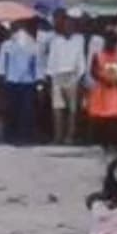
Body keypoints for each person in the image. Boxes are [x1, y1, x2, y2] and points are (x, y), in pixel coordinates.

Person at [45, 12, 89, 146]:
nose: (68, 27)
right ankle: (58, 137)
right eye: (65, 25)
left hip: (73, 75)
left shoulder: (79, 39)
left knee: (73, 110)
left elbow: (81, 58)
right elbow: (52, 60)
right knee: (57, 109)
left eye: (70, 25)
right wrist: (49, 77)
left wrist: (81, 76)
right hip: (57, 76)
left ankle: (70, 136)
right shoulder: (55, 41)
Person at [0, 21, 42, 146]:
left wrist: (38, 79)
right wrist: (39, 80)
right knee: (19, 109)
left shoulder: (31, 44)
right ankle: (18, 135)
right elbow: (37, 65)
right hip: (18, 80)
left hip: (21, 81)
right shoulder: (9, 44)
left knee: (21, 109)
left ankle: (18, 135)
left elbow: (37, 64)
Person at [86, 32, 117, 150]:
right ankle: (104, 143)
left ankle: (116, 143)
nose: (111, 45)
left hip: (116, 90)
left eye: (113, 42)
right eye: (109, 42)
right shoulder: (98, 55)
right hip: (103, 90)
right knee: (102, 119)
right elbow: (93, 71)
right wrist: (102, 78)